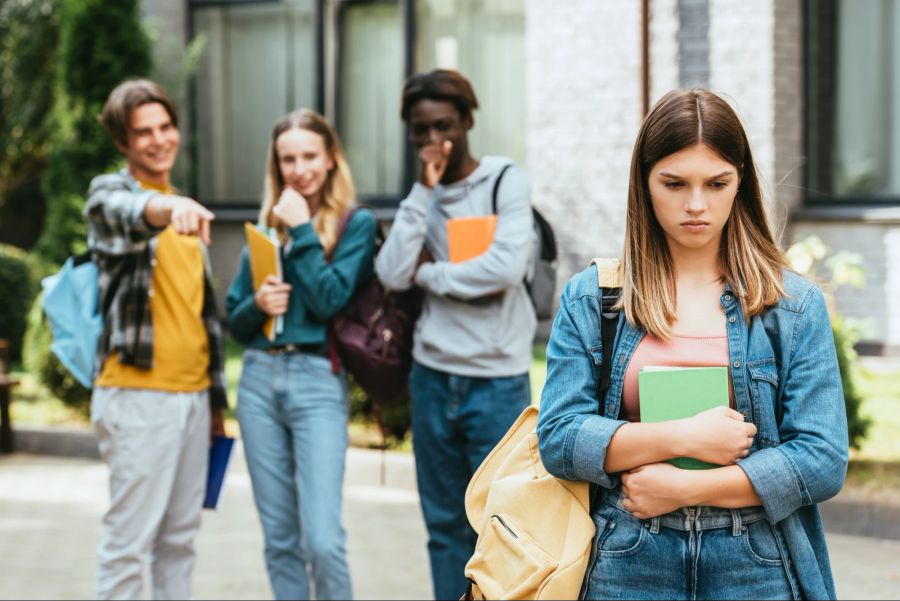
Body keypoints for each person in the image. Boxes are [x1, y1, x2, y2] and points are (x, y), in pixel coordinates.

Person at [536, 88, 848, 600]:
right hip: (627, 555)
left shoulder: (792, 305)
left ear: (740, 183)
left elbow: (822, 459)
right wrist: (681, 436)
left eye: (716, 183)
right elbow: (560, 438)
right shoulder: (594, 298)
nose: (696, 204)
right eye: (675, 183)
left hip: (757, 561)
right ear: (644, 182)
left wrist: (688, 487)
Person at [375, 69, 537, 600]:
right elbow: (390, 272)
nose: (432, 142)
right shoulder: (420, 199)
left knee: (499, 525)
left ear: (468, 121)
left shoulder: (501, 180)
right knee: (444, 526)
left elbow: (505, 267)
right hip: (432, 378)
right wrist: (422, 192)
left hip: (495, 382)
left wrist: (431, 275)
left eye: (442, 127)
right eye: (420, 131)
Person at [225, 109, 377, 600]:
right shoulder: (266, 229)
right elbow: (235, 320)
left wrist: (304, 232)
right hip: (257, 381)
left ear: (331, 159)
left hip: (316, 380)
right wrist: (257, 304)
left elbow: (332, 298)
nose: (299, 168)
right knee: (280, 539)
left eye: (309, 156)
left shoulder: (356, 224)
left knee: (323, 539)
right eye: (288, 158)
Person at [85, 78, 227, 600]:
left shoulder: (185, 207)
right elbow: (126, 214)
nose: (158, 139)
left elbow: (200, 321)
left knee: (179, 541)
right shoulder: (111, 195)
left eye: (165, 126)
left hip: (191, 401)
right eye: (142, 132)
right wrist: (168, 211)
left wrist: (214, 407)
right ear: (123, 142)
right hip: (139, 396)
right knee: (128, 544)